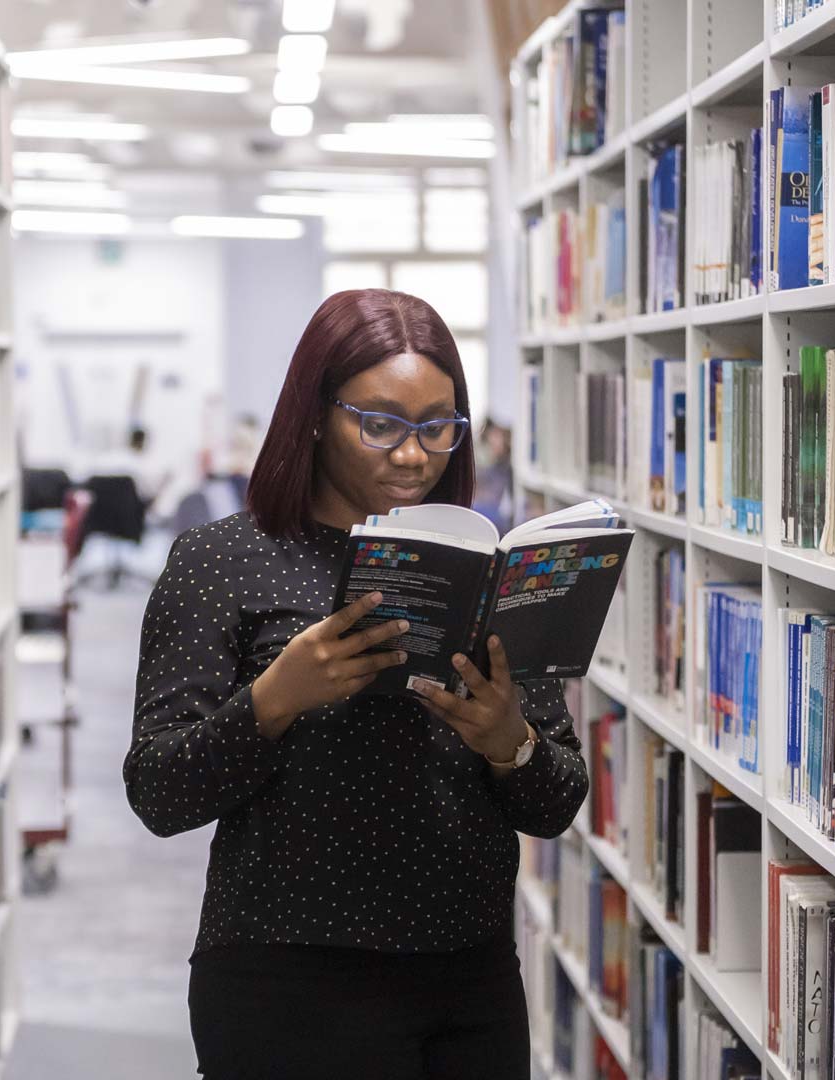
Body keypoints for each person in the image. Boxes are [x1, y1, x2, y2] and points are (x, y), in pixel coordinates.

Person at [123, 289, 590, 1079]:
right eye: (380, 424)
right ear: (314, 415)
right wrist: (275, 699)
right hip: (284, 978)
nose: (413, 455)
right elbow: (158, 793)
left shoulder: (489, 573)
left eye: (438, 426)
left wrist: (510, 742)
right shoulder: (221, 561)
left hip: (468, 977)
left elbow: (556, 805)